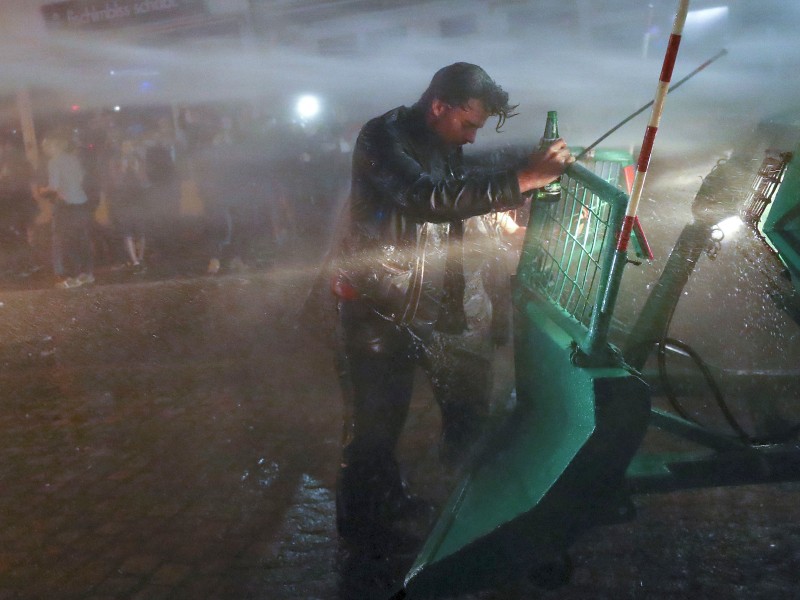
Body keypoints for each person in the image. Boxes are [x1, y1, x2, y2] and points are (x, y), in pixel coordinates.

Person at [332, 62, 573, 544]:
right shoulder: (380, 137)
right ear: (439, 106)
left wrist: (516, 183)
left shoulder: (443, 141)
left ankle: (468, 510)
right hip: (380, 308)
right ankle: (364, 533)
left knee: (467, 414)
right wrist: (521, 180)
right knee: (376, 429)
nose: (469, 138)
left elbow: (458, 194)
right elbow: (425, 197)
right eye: (468, 125)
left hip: (440, 305)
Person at [39, 130, 95, 289]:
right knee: (81, 239)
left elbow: (54, 187)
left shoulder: (54, 162)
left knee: (61, 241)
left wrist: (42, 190)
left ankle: (65, 277)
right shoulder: (74, 159)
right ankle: (86, 273)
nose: (45, 150)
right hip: (81, 202)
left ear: (53, 146)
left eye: (46, 147)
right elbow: (81, 178)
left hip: (66, 205)